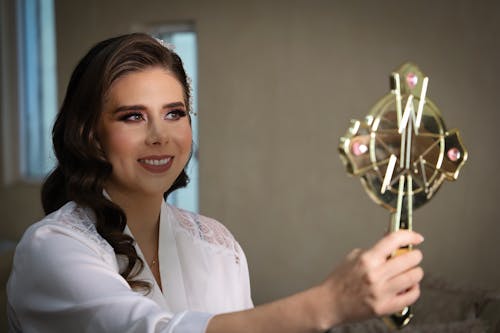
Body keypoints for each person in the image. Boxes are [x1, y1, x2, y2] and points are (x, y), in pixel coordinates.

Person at [6, 33, 424, 333]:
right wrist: (328, 304)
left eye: (175, 113)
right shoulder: (52, 250)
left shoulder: (218, 243)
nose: (160, 136)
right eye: (133, 116)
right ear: (91, 134)